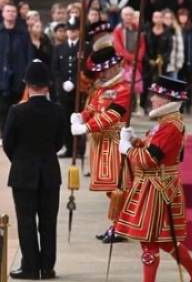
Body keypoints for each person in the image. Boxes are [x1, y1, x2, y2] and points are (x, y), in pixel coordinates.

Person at [112, 75, 192, 282]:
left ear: (168, 100)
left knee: (149, 240)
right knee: (163, 239)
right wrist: (135, 141)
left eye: (156, 96)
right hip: (155, 185)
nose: (152, 99)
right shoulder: (166, 122)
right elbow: (156, 149)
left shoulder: (170, 126)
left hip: (157, 187)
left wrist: (127, 149)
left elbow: (150, 159)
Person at [3, 60, 66, 280]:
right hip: (49, 173)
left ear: (27, 85)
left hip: (23, 174)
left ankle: (30, 266)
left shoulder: (17, 111)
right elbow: (59, 143)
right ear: (47, 86)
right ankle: (47, 267)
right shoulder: (57, 111)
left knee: (26, 222)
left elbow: (8, 143)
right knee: (48, 222)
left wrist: (21, 160)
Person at [70, 46, 131, 243]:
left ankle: (120, 226)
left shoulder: (124, 89)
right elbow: (91, 108)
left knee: (117, 187)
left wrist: (86, 127)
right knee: (108, 188)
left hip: (115, 142)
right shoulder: (101, 89)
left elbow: (111, 116)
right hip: (100, 143)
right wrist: (81, 116)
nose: (101, 74)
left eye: (104, 70)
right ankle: (118, 224)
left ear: (114, 67)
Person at [52, 19, 83, 158]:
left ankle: (79, 149)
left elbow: (85, 68)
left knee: (79, 118)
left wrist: (75, 82)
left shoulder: (83, 47)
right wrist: (62, 83)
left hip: (79, 91)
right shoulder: (59, 48)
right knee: (65, 119)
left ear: (78, 31)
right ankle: (68, 147)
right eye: (69, 30)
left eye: (74, 30)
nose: (71, 33)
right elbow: (55, 69)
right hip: (64, 91)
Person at [0, 4, 33, 131]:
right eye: (8, 11)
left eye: (13, 11)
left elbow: (29, 55)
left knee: (17, 109)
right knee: (2, 110)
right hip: (1, 78)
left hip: (18, 78)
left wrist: (26, 76)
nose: (10, 13)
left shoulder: (23, 34)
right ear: (3, 13)